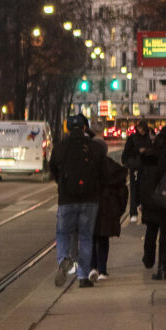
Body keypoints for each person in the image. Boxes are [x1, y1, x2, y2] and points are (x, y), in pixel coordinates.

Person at [50, 114, 107, 288]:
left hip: (67, 199)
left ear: (67, 129)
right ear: (84, 128)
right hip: (89, 200)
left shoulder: (60, 147)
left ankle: (63, 260)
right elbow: (104, 172)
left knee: (62, 233)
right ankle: (83, 276)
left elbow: (52, 168)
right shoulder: (94, 148)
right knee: (86, 237)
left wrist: (61, 183)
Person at [140, 125, 166, 280]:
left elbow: (143, 180)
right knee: (165, 233)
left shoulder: (148, 155)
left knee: (151, 230)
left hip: (152, 198)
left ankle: (149, 259)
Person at [89, 148, 129, 280]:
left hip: (92, 208)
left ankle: (92, 267)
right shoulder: (114, 168)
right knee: (103, 240)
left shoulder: (90, 167)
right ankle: (102, 270)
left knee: (92, 239)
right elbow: (123, 192)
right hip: (108, 209)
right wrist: (119, 210)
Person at [122, 120, 152, 223]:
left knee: (143, 189)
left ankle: (141, 207)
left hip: (145, 167)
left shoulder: (149, 137)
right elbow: (127, 152)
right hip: (135, 167)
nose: (141, 131)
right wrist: (138, 151)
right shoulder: (133, 138)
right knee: (134, 190)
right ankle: (133, 212)